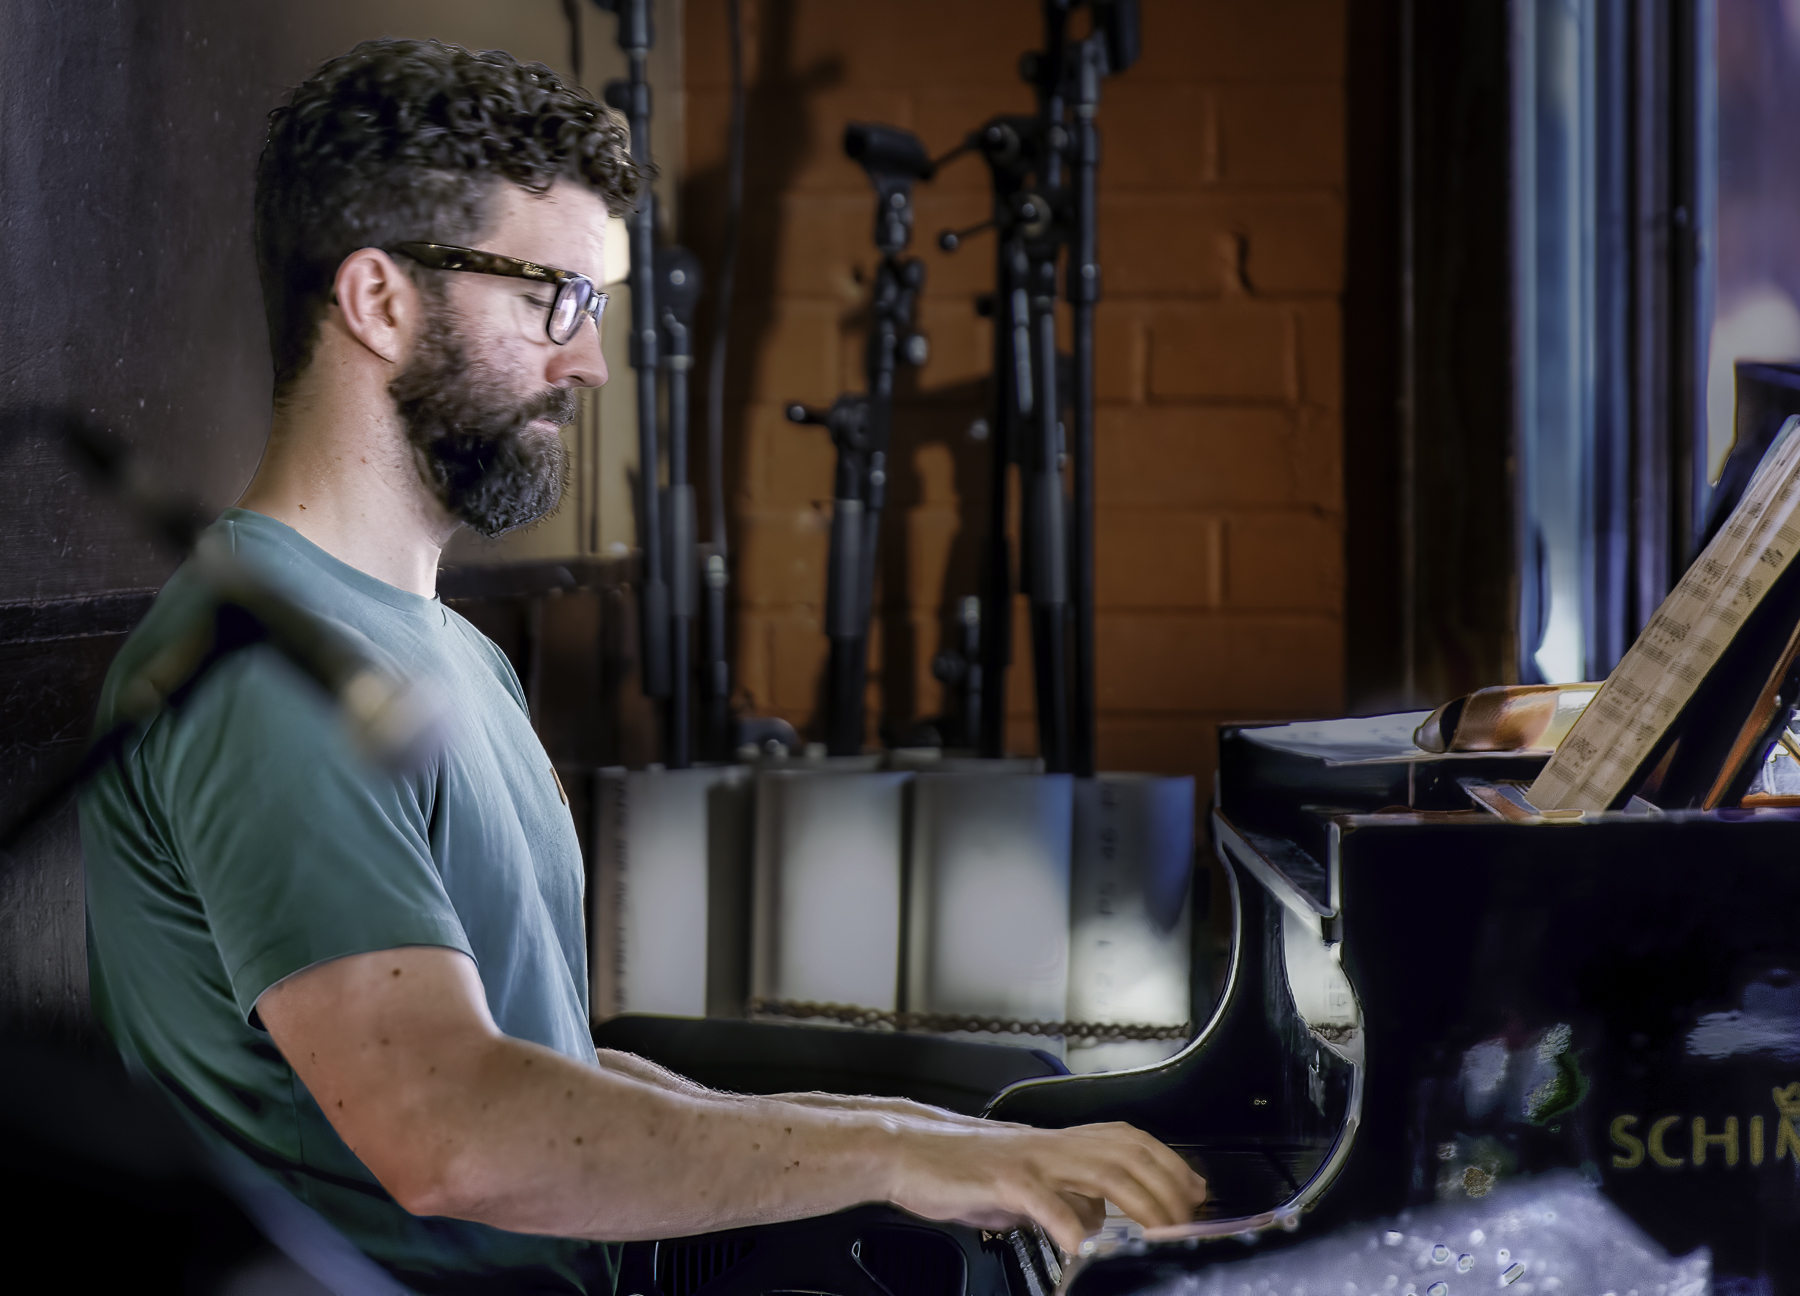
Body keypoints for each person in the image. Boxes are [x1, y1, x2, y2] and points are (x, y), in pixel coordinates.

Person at [79, 38, 1207, 1294]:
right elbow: (450, 1133)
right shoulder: (262, 671)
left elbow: (543, 1062)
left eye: (592, 306)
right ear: (379, 300)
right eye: (546, 297)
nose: (590, 361)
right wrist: (893, 1152)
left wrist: (957, 1142)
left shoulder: (439, 647)